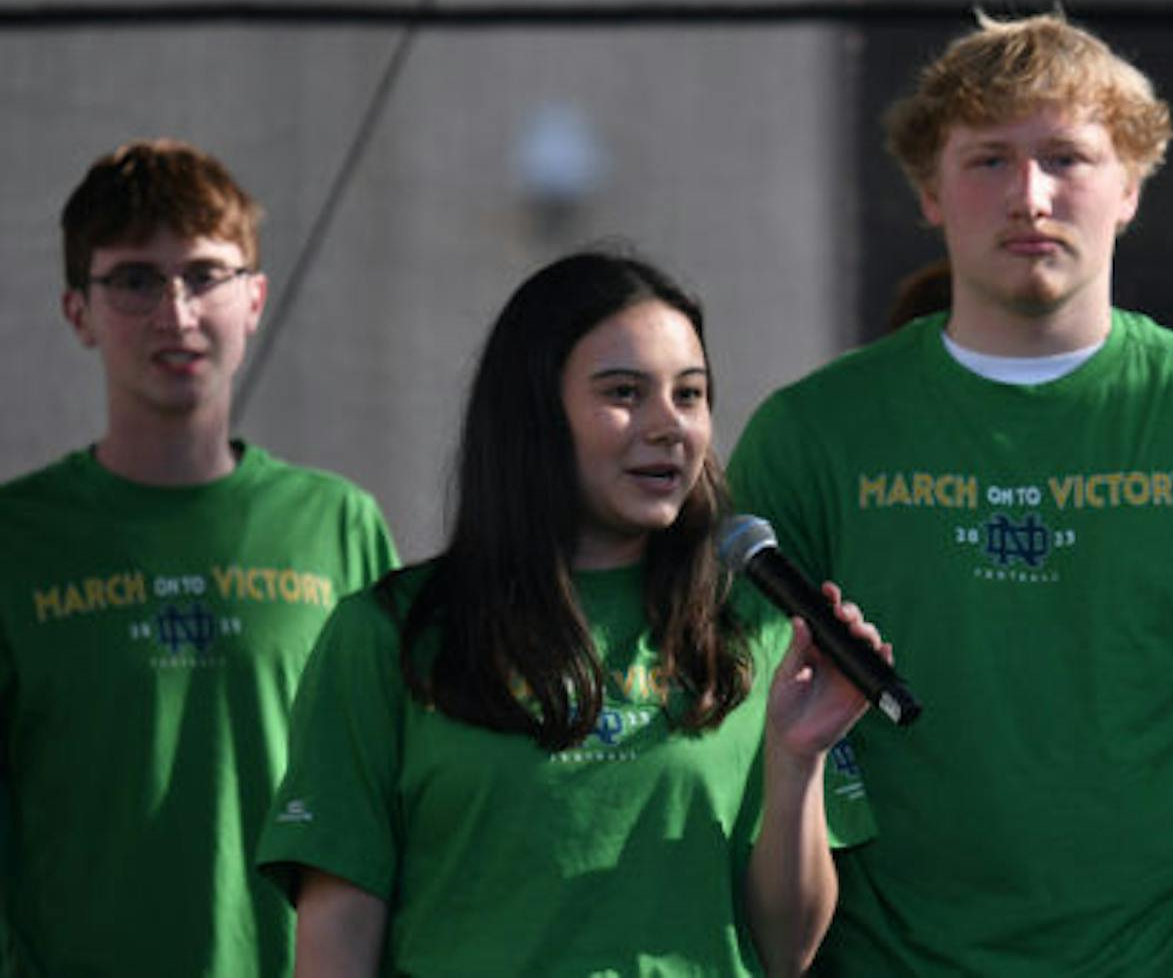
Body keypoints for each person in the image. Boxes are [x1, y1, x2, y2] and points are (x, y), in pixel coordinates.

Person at [728, 12, 1173, 974]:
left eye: (1066, 157)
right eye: (989, 159)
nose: (1029, 194)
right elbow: (741, 765)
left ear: (1131, 187)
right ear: (929, 192)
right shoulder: (811, 434)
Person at [255, 251, 881, 975]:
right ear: (534, 414)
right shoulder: (389, 634)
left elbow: (787, 948)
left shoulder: (757, 632)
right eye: (624, 393)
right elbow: (338, 936)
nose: (667, 426)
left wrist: (798, 759)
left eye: (690, 395)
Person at [0, 139, 399, 974]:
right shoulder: (18, 540)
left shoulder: (339, 526)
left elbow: (392, 803)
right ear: (78, 310)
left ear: (253, 299)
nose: (175, 313)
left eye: (204, 275)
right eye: (135, 279)